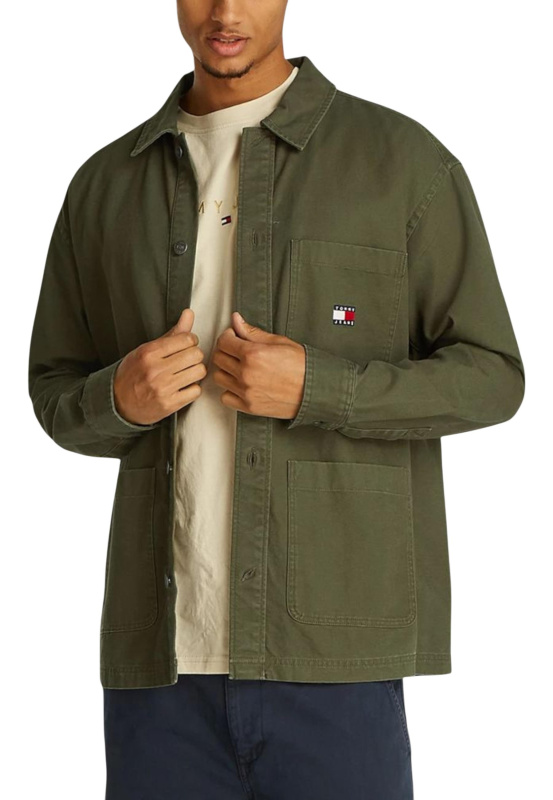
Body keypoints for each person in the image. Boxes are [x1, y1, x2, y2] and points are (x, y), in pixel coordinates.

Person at [28, 1, 525, 798]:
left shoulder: (399, 162)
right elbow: (53, 391)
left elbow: (493, 377)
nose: (225, 12)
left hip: (331, 658)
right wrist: (118, 399)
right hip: (159, 667)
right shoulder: (105, 183)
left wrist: (320, 388)